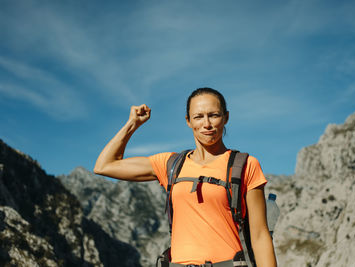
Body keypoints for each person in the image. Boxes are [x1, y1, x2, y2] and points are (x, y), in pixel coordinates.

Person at [94, 88, 277, 267]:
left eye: (213, 115)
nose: (206, 123)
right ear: (188, 121)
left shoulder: (245, 165)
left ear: (226, 117)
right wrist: (132, 124)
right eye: (198, 116)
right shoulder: (170, 165)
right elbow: (104, 166)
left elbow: (260, 235)